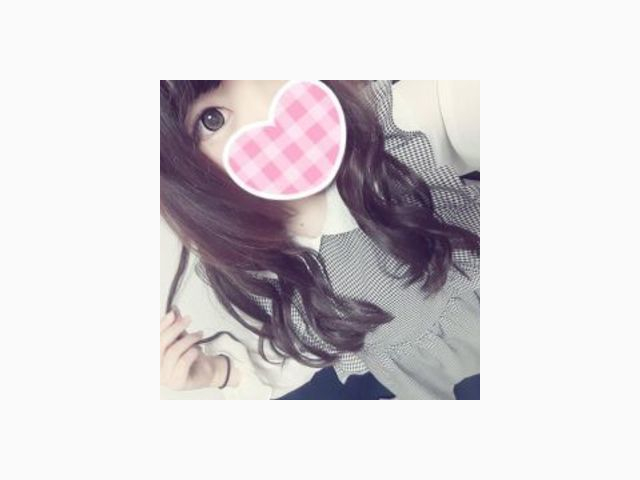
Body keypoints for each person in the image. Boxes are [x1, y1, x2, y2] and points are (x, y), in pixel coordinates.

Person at [160, 80, 480, 399]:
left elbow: (460, 104)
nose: (268, 109)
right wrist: (217, 372)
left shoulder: (393, 131)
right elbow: (294, 357)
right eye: (212, 119)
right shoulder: (262, 270)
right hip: (436, 380)